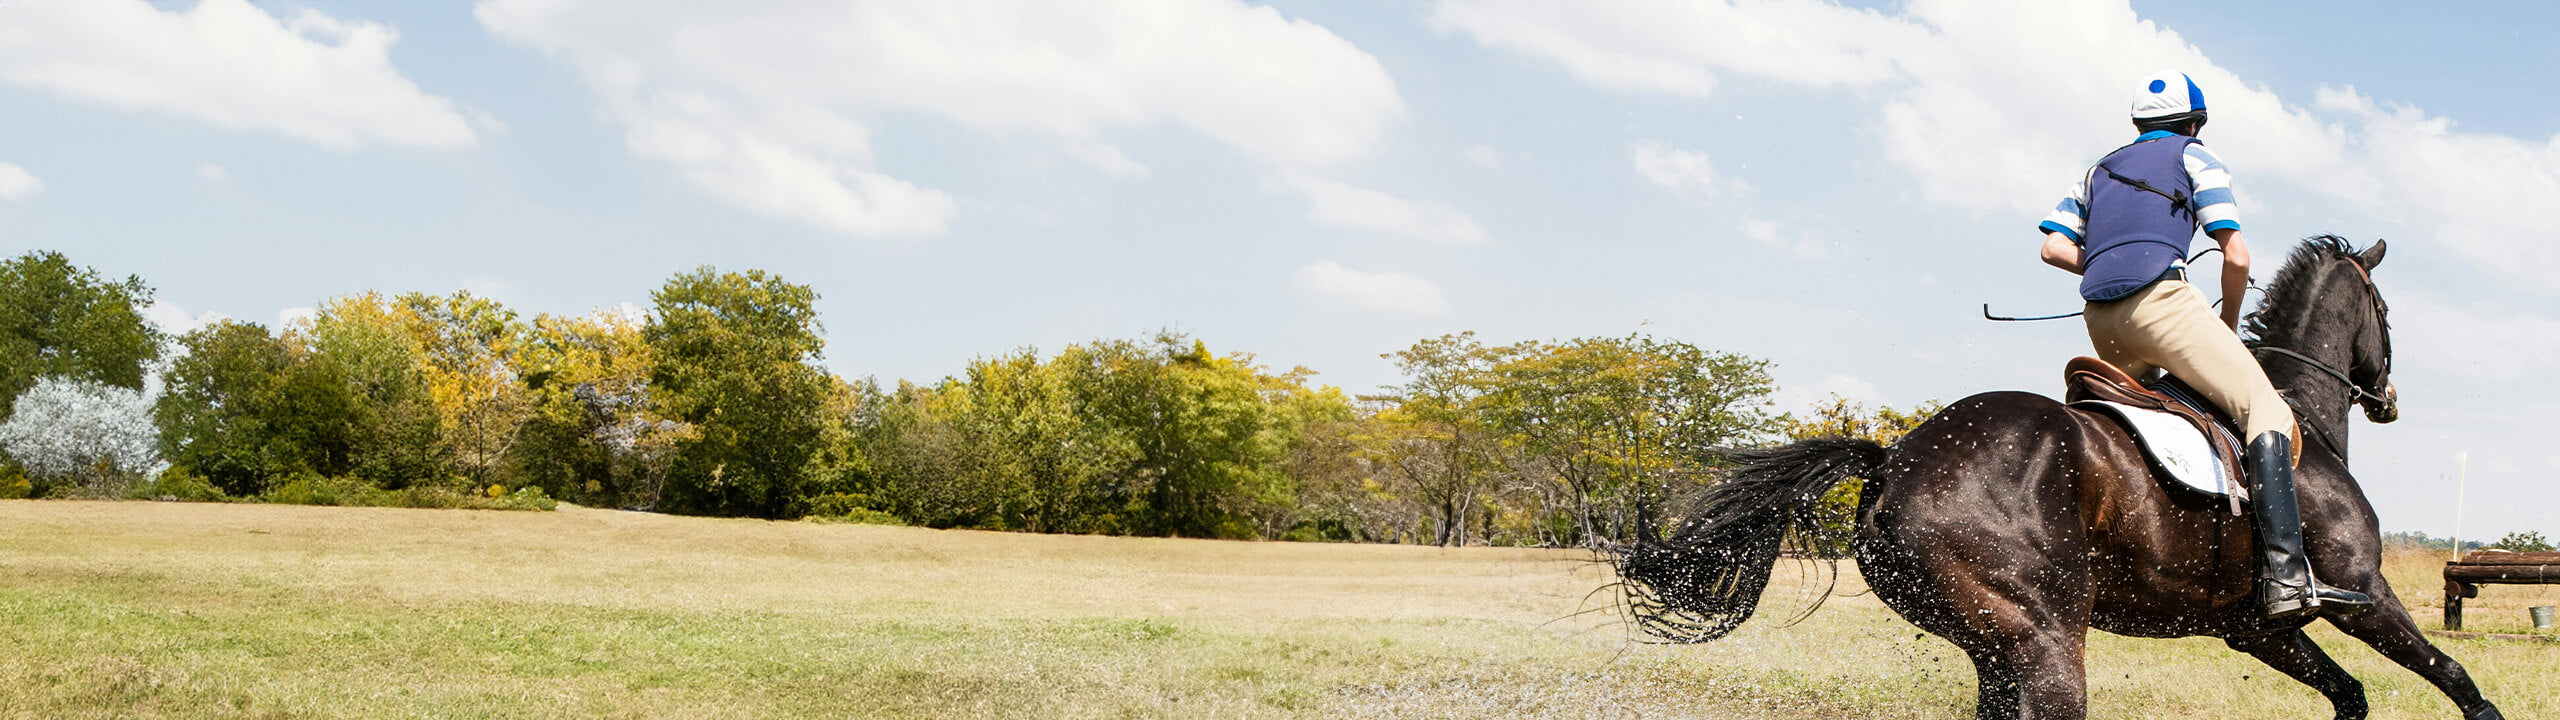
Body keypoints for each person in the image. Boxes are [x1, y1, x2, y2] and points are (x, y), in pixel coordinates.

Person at [2035, 69, 2371, 621]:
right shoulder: (2195, 157)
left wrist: (2100, 261)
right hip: (2164, 307)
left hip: (2101, 321)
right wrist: (2230, 321)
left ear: (2139, 124)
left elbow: (2052, 248)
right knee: (2266, 409)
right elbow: (2235, 255)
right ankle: (2287, 577)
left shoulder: (2097, 171)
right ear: (2196, 123)